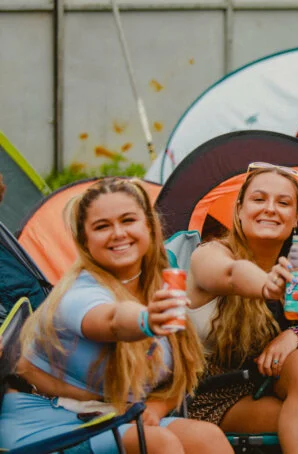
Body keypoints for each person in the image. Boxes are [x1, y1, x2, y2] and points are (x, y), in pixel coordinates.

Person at [0, 177, 229, 454]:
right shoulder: (78, 292)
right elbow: (111, 320)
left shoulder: (157, 285)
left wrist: (157, 408)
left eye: (128, 220)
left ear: (149, 226)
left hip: (111, 416)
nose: (118, 233)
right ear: (85, 240)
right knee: (159, 444)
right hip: (49, 421)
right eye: (102, 226)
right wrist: (147, 320)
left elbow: (178, 376)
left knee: (208, 438)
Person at [185, 162, 298, 454]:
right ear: (239, 210)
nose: (270, 209)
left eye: (283, 203)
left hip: (276, 384)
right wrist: (267, 285)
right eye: (259, 199)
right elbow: (231, 274)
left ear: (295, 218)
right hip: (212, 394)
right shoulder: (211, 254)